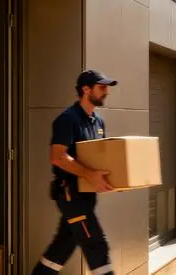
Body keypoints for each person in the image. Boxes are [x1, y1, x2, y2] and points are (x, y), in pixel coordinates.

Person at [31, 70, 117, 275]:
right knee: (96, 244)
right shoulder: (67, 119)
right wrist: (89, 175)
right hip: (70, 194)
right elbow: (57, 156)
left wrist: (114, 179)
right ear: (86, 89)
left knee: (63, 246)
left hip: (87, 195)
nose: (106, 92)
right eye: (102, 87)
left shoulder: (98, 122)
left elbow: (98, 158)